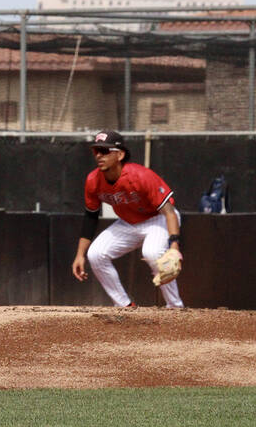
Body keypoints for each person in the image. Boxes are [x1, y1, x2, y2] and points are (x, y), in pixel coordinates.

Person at [71, 130, 183, 309]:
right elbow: (91, 217)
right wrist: (79, 254)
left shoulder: (140, 176)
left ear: (120, 154)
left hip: (157, 218)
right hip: (128, 222)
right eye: (96, 151)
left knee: (153, 253)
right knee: (96, 254)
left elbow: (169, 213)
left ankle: (175, 307)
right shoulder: (93, 180)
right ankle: (124, 305)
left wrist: (174, 247)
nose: (99, 155)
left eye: (105, 150)